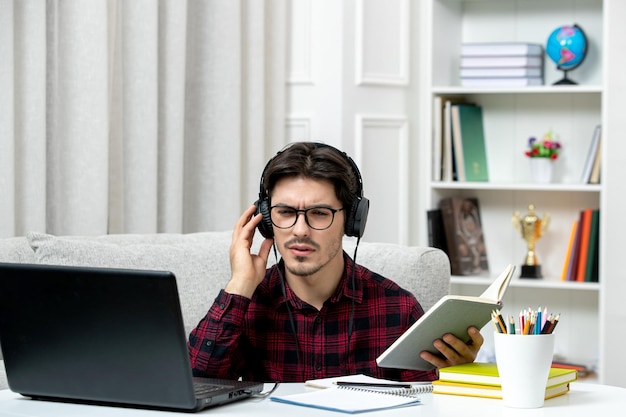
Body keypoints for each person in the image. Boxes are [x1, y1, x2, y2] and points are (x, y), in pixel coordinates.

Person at [188, 142, 483, 382]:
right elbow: (195, 383)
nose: (300, 230)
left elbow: (428, 408)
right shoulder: (246, 305)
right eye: (285, 212)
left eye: (319, 213)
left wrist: (456, 376)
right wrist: (239, 285)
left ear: (351, 221)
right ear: (266, 220)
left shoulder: (399, 308)